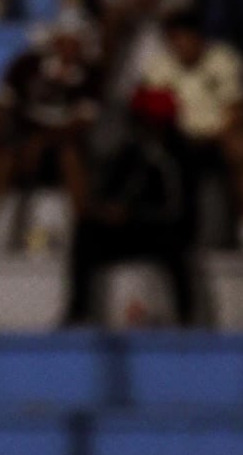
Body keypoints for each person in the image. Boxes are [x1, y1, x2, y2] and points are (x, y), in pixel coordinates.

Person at [64, 84, 197, 325]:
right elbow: (109, 192)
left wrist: (134, 214)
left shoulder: (180, 155)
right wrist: (104, 210)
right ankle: (78, 311)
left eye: (151, 121)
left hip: (161, 230)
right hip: (128, 230)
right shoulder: (130, 151)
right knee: (86, 232)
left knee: (176, 249)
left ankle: (187, 315)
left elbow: (179, 211)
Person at [138, 6, 243, 237]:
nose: (181, 45)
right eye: (175, 39)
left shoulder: (224, 59)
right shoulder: (159, 66)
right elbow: (148, 110)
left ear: (198, 37)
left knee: (242, 147)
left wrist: (215, 135)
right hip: (176, 138)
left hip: (217, 137)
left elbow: (236, 110)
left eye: (186, 38)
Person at [0, 13, 102, 241]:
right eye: (64, 42)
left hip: (62, 142)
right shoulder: (26, 66)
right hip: (21, 138)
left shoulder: (90, 77)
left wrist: (42, 141)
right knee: (3, 158)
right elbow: (1, 105)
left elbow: (83, 121)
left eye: (75, 43)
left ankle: (84, 229)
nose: (68, 49)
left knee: (71, 158)